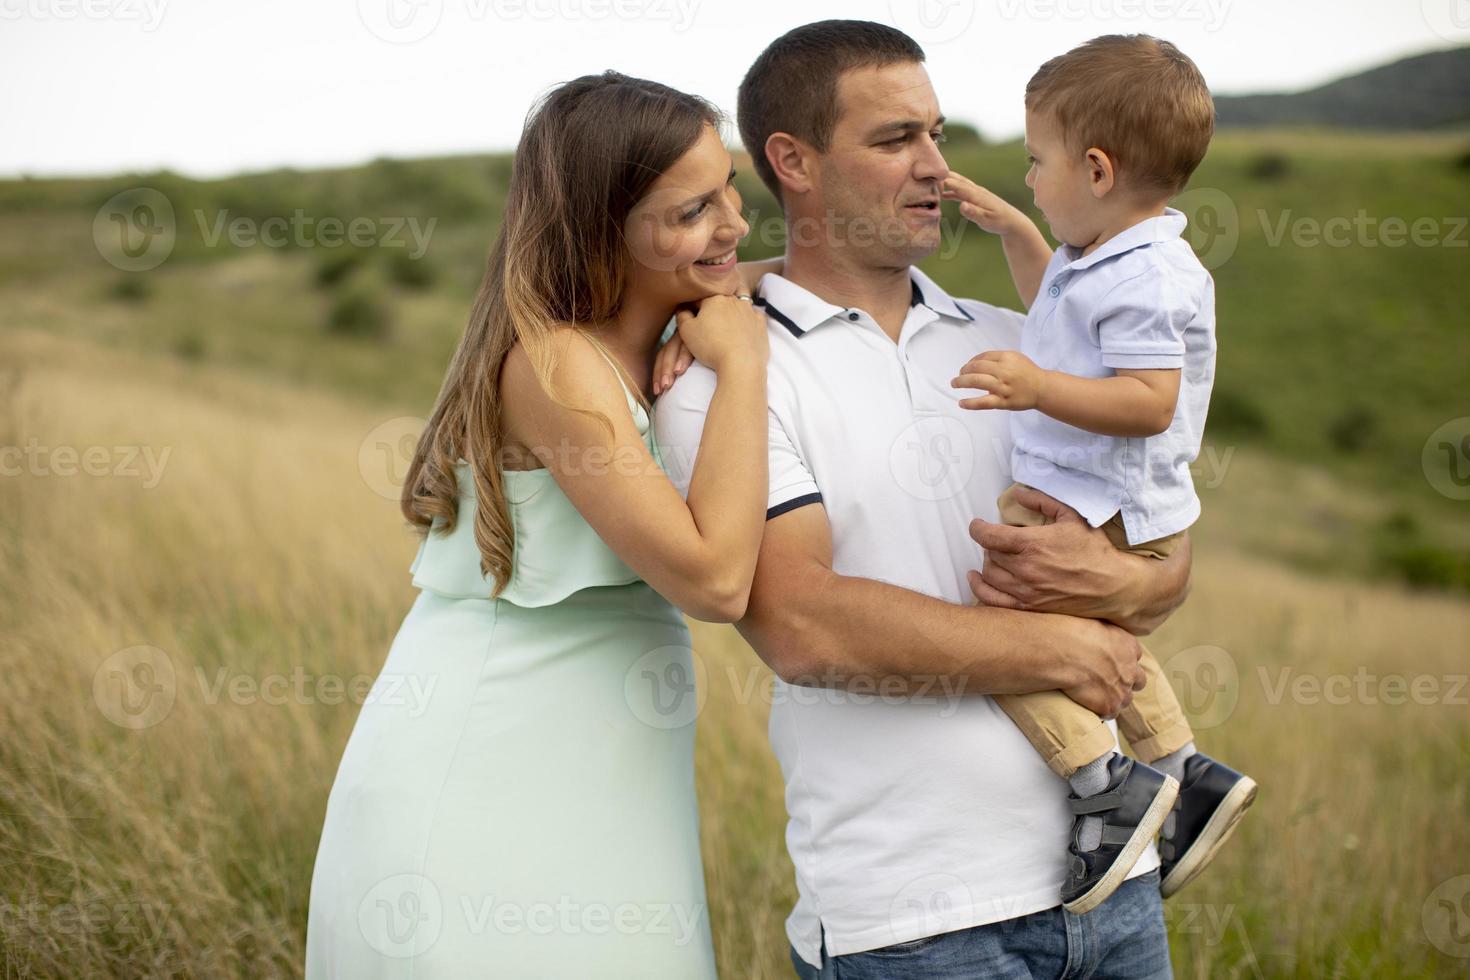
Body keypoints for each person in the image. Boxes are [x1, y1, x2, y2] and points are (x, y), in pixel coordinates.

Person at [654, 20, 1190, 978]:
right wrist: (1071, 641)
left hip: (1119, 889)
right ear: (793, 161)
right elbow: (806, 627)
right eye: (896, 140)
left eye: (938, 135)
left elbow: (1163, 554)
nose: (937, 167)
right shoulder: (724, 373)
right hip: (915, 919)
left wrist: (1125, 582)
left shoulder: (1021, 344)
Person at [304, 71, 769, 978]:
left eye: (732, 191)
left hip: (608, 768)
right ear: (605, 226)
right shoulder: (557, 364)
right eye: (692, 211)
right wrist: (741, 367)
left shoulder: (685, 307)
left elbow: (811, 279)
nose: (735, 226)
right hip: (489, 758)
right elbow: (716, 582)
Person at [941, 34, 1256, 915]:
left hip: (1108, 502)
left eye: (1037, 164)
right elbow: (1060, 313)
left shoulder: (1151, 276)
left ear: (1097, 170)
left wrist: (1035, 387)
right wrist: (1015, 229)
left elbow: (1151, 399)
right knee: (1077, 629)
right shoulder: (1104, 256)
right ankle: (1184, 769)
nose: (1031, 178)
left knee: (1003, 640)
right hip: (1094, 495)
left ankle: (1102, 783)